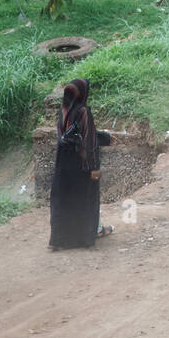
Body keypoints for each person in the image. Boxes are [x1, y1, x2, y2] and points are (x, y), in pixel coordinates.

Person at [49, 78, 114, 250]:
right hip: (81, 164)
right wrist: (93, 168)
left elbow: (72, 136)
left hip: (63, 163)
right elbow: (88, 140)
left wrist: (105, 138)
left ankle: (59, 240)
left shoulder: (63, 112)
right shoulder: (84, 111)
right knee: (86, 199)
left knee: (64, 199)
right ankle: (85, 237)